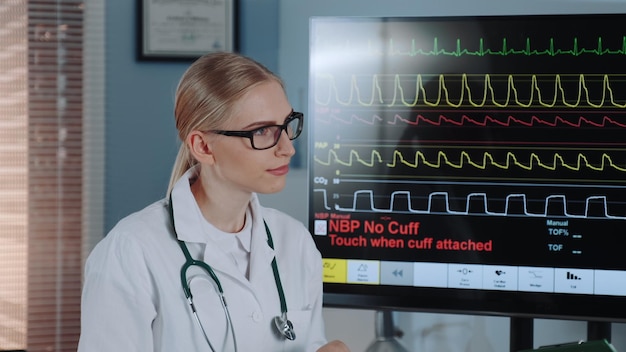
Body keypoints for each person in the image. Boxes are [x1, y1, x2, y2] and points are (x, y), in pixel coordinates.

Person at [78, 52, 351, 352]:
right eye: (262, 131)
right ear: (204, 146)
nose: (287, 148)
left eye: (287, 125)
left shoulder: (295, 242)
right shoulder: (131, 253)